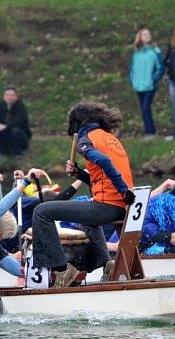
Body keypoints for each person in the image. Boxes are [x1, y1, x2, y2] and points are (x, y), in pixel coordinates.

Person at [34, 102, 135, 287]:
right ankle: (107, 264)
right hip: (121, 206)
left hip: (108, 206)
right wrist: (79, 174)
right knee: (87, 221)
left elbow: (103, 161)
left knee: (41, 211)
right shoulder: (110, 138)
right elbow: (104, 177)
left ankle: (62, 269)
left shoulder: (85, 140)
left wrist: (123, 191)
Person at [129, 27, 163, 139]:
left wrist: (154, 79)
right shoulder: (136, 53)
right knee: (143, 109)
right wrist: (133, 79)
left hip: (150, 85)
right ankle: (149, 131)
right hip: (138, 86)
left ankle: (150, 132)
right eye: (144, 34)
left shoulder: (155, 51)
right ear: (140, 37)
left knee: (145, 108)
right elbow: (132, 68)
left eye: (148, 34)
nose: (147, 36)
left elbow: (160, 68)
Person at [0, 86, 32, 156]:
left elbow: (19, 121)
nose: (9, 97)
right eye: (7, 95)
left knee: (15, 131)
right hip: (5, 132)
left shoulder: (20, 106)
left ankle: (18, 152)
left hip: (20, 133)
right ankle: (4, 152)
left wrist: (5, 126)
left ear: (16, 97)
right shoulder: (2, 105)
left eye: (11, 95)